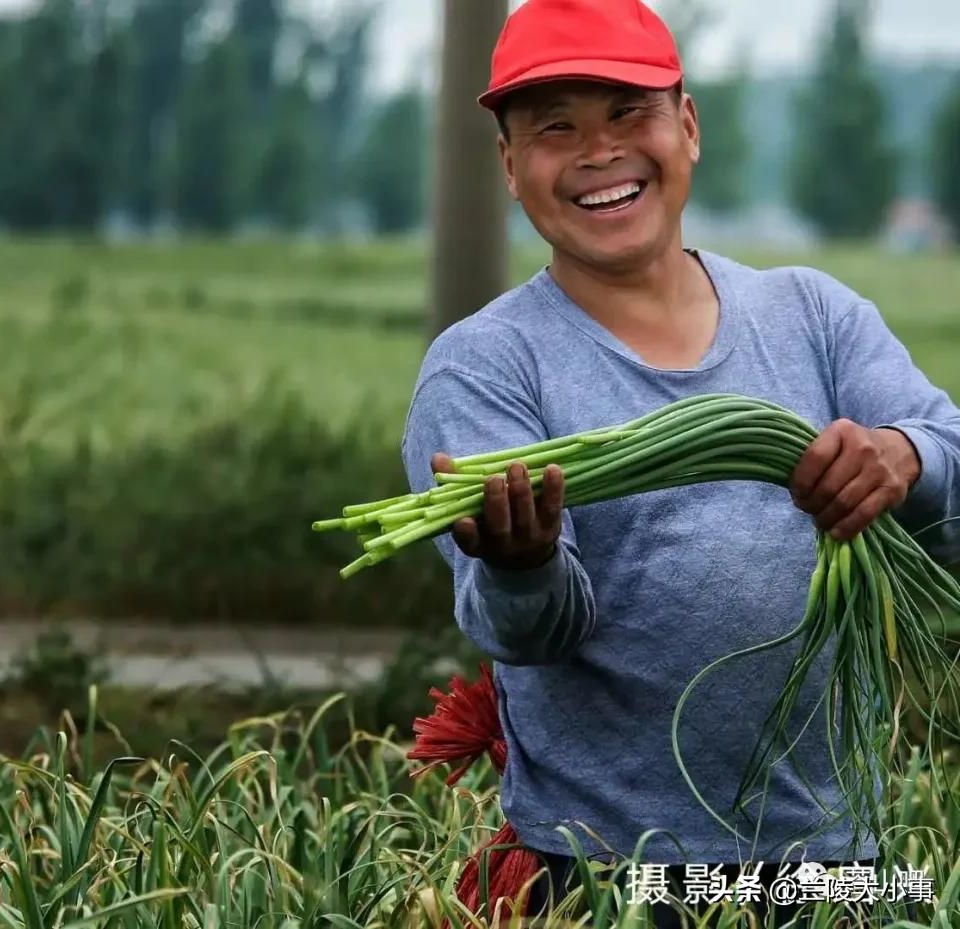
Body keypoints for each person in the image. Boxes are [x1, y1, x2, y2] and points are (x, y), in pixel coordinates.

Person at [400, 0, 960, 924]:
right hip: (603, 868)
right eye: (556, 128)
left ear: (687, 127)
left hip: (836, 857)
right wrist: (522, 561)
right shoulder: (486, 366)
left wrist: (904, 456)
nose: (598, 151)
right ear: (509, 164)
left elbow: (950, 482)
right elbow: (528, 631)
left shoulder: (812, 315)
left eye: (629, 113)